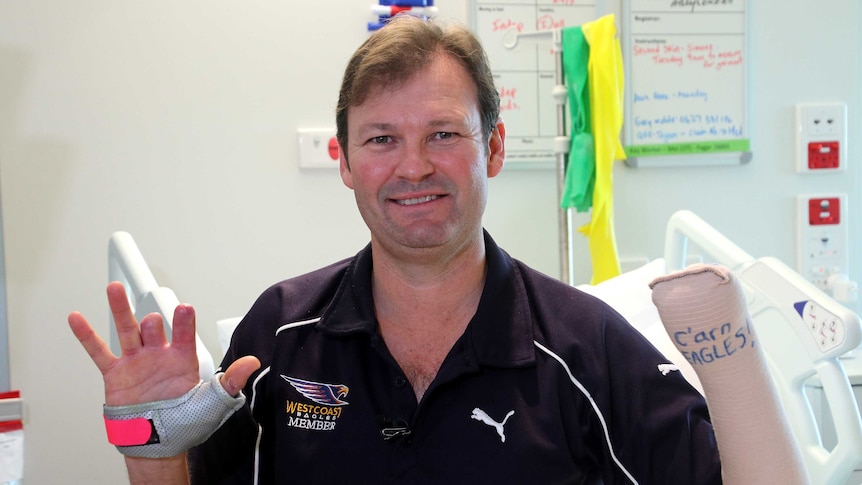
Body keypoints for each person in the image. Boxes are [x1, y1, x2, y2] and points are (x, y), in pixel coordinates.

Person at [68, 15, 730, 484]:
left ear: (493, 148)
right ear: (347, 162)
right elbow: (172, 463)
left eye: (443, 133)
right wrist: (145, 440)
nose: (414, 167)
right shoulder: (279, 333)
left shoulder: (590, 353)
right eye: (382, 139)